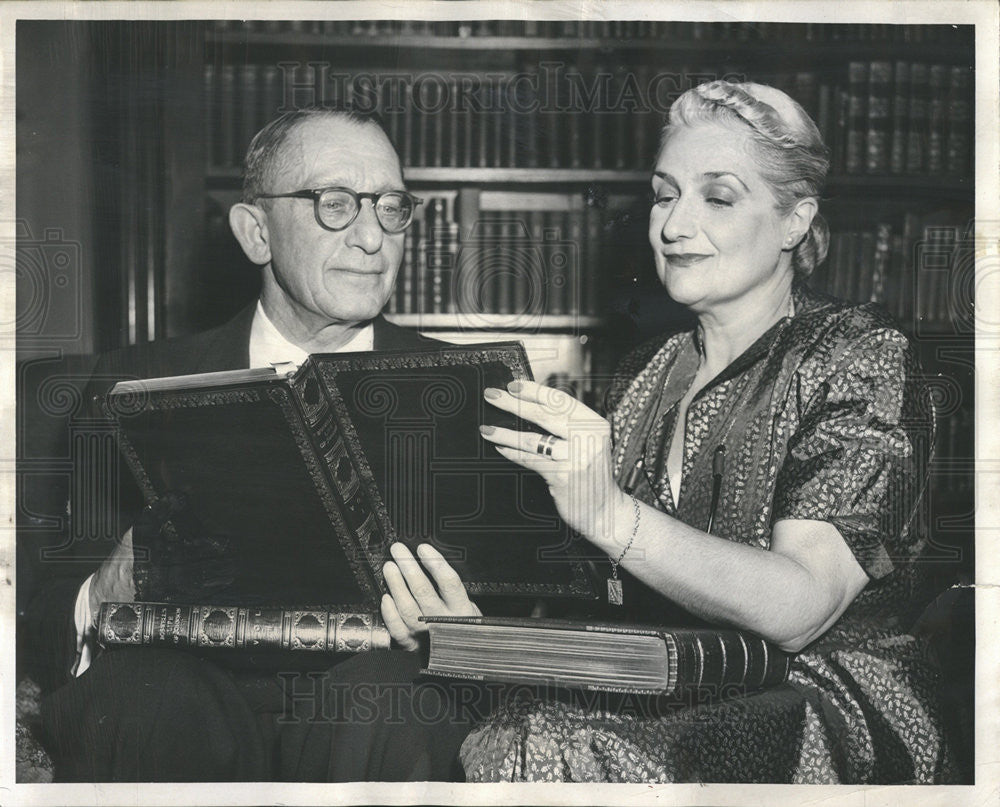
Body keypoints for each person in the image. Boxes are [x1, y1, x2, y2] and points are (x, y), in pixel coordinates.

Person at [382, 80, 957, 783]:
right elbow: (606, 604)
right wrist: (473, 631)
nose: (673, 226)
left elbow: (802, 606)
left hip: (827, 708)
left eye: (717, 196)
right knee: (438, 716)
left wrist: (612, 515)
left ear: (794, 220)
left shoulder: (860, 356)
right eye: (664, 194)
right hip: (676, 681)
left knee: (549, 747)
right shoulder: (645, 374)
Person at [28, 107, 479, 781]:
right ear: (256, 232)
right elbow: (46, 603)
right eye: (336, 204)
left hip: (376, 719)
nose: (372, 237)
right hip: (179, 706)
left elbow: (533, 619)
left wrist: (464, 635)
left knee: (390, 698)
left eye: (392, 206)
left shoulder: (468, 393)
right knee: (145, 696)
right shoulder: (137, 383)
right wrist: (102, 589)